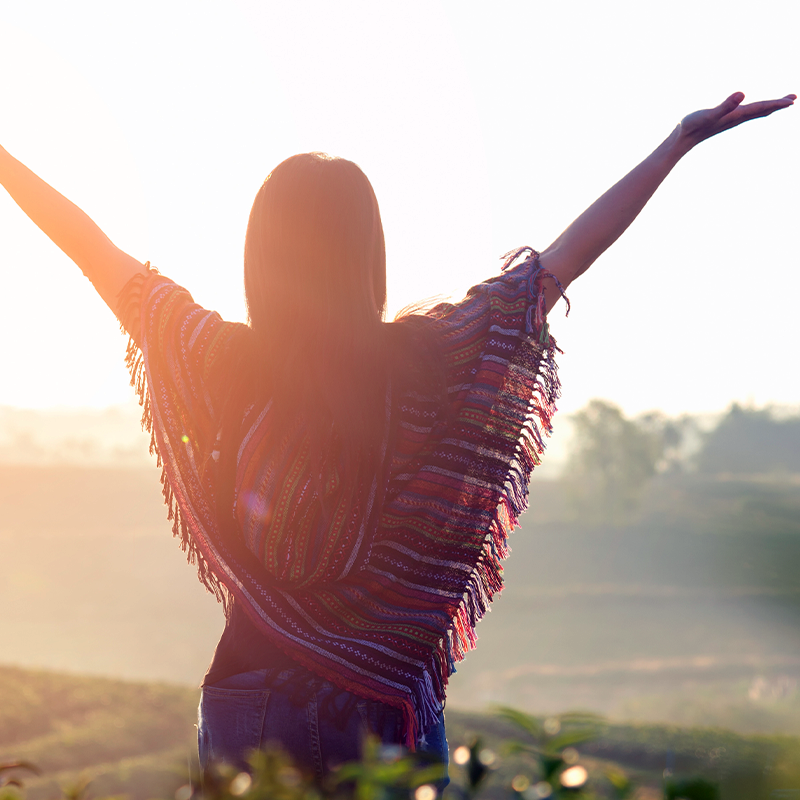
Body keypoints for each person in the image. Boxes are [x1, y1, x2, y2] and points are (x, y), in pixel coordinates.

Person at [0, 91, 794, 791]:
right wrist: (674, 145)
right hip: (381, 710)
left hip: (250, 701)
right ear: (369, 252)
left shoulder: (220, 364)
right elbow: (558, 267)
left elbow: (92, 251)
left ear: (260, 257)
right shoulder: (428, 361)